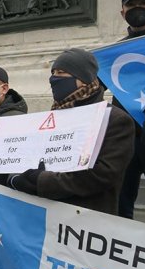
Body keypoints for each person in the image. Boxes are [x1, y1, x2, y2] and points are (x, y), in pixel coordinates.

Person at [7, 48, 135, 215]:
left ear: (83, 80)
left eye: (61, 73)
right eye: (53, 72)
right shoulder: (52, 118)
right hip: (48, 214)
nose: (53, 79)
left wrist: (41, 181)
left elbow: (103, 174)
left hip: (87, 218)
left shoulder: (115, 119)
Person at [115, 0, 145, 219]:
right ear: (122, 12)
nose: (137, 9)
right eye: (132, 5)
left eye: (144, 4)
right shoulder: (114, 52)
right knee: (119, 200)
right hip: (125, 135)